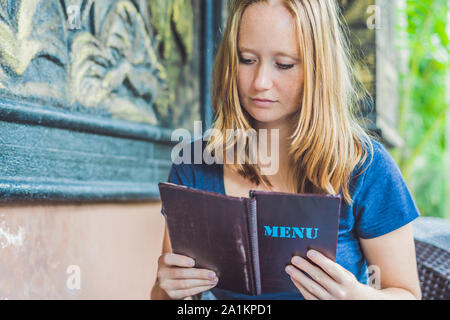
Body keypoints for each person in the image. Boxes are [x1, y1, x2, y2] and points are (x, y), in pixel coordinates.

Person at [150, 0, 422, 300]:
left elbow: (407, 294)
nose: (260, 83)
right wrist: (166, 291)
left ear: (320, 68)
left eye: (284, 64)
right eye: (246, 59)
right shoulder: (194, 165)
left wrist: (354, 295)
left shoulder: (366, 166)